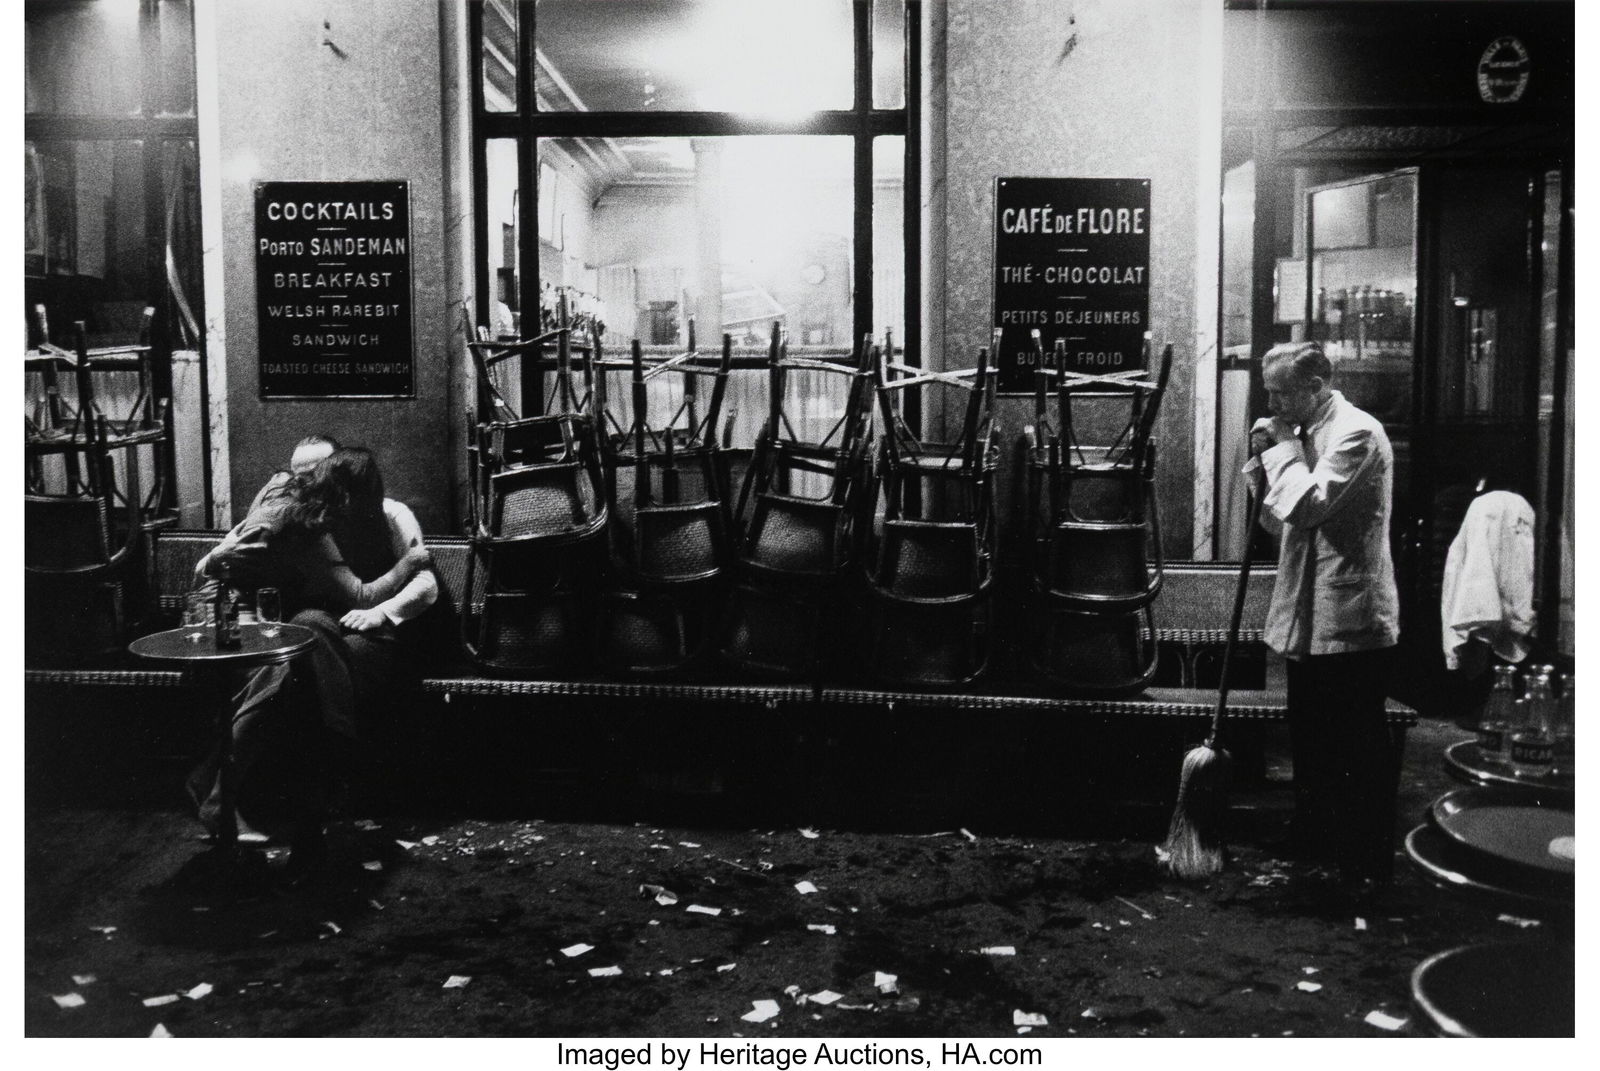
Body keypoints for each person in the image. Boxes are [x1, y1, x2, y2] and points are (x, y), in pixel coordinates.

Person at [190, 447, 438, 873]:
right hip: (315, 628)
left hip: (369, 630)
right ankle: (319, 798)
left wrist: (382, 612)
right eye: (300, 474)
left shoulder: (392, 514)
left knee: (303, 657)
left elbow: (425, 581)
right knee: (305, 640)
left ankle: (219, 781)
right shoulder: (305, 521)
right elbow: (208, 564)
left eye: (313, 474)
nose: (303, 482)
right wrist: (219, 557)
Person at [1245, 341, 1400, 898]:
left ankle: (1366, 858)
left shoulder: (1358, 433)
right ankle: (1313, 835)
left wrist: (1283, 450)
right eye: (1268, 391)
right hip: (1309, 613)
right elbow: (1278, 520)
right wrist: (1266, 463)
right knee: (1310, 733)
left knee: (1355, 740)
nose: (1271, 403)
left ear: (1315, 387)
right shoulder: (1305, 433)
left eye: (1280, 392)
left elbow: (1310, 506)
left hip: (1351, 617)